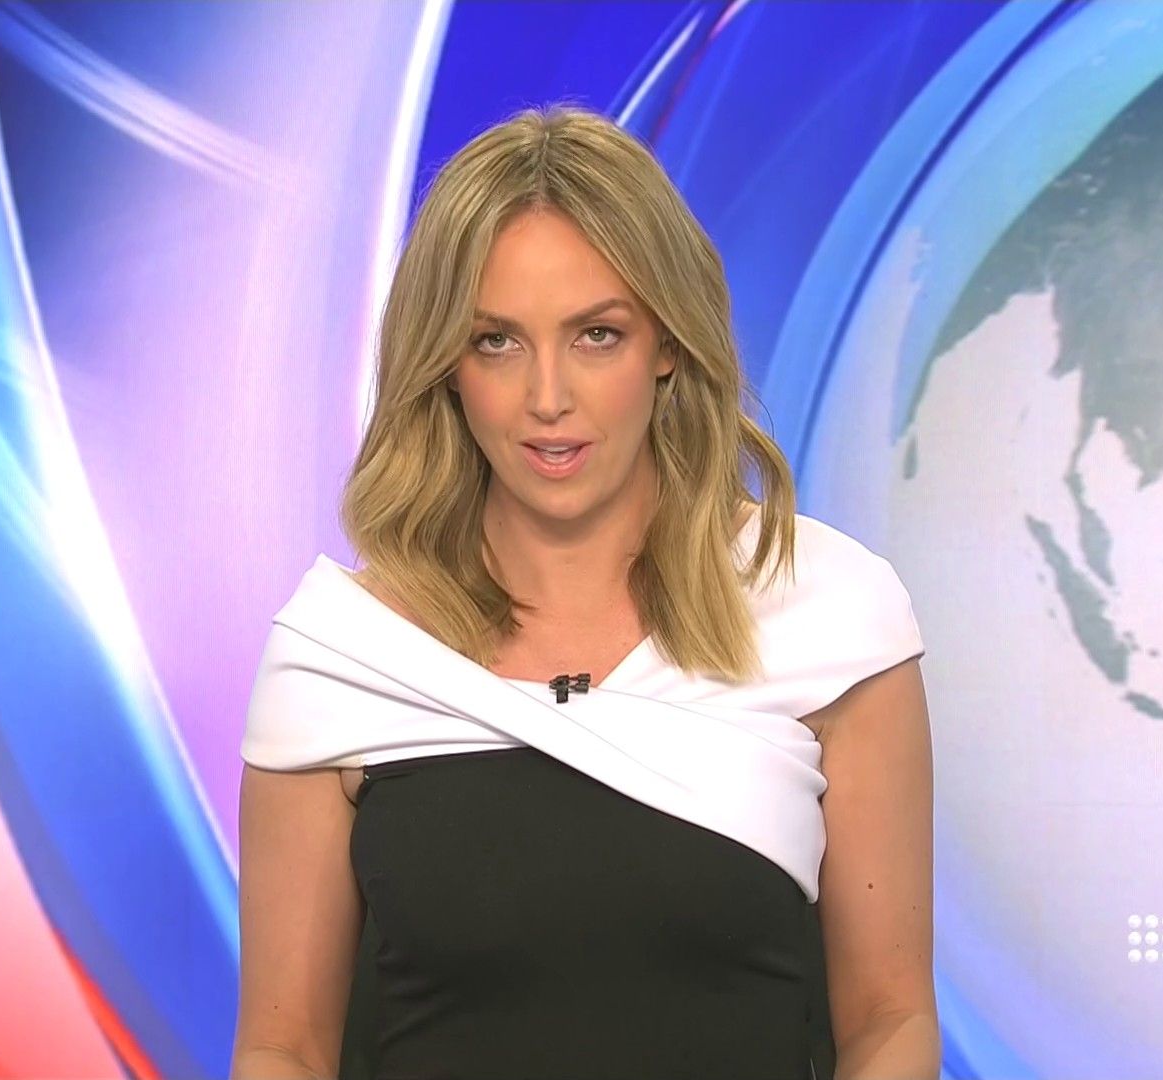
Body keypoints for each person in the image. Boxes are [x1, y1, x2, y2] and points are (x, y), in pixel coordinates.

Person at [232, 102, 938, 1080]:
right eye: (496, 342)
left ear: (668, 344)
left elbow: (889, 1022)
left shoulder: (832, 616)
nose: (548, 398)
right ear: (445, 365)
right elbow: (284, 1050)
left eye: (597, 335)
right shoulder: (342, 657)